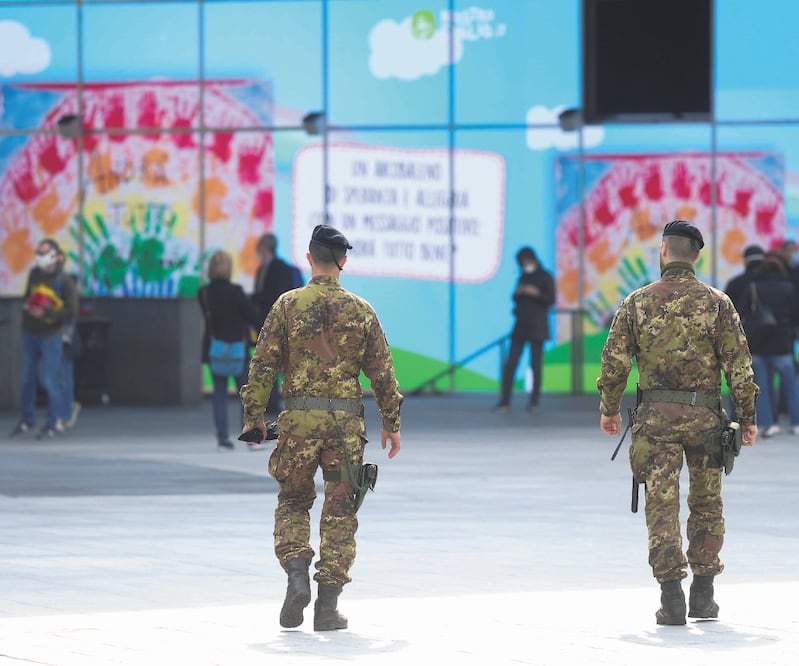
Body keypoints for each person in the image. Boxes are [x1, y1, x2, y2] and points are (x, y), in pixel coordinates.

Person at [240, 224, 403, 632]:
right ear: (343, 261)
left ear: (309, 258)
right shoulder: (361, 310)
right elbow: (382, 372)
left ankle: (297, 574)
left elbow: (263, 364)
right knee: (340, 511)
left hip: (297, 422)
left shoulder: (287, 305)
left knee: (294, 501)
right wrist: (391, 422)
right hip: (345, 426)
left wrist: (253, 417)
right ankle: (328, 608)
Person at [597, 220, 759, 626]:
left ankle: (671, 600)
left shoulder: (636, 302)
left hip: (655, 422)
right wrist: (748, 417)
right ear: (697, 256)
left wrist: (610, 409)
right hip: (706, 420)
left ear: (664, 251)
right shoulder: (718, 303)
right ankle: (703, 597)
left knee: (661, 505)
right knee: (706, 503)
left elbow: (615, 362)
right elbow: (739, 366)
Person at [9, 238, 77, 439]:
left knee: (49, 378)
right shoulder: (34, 274)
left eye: (44, 253)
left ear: (55, 256)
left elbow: (71, 310)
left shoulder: (63, 280)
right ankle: (27, 419)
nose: (40, 257)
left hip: (51, 336)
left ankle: (52, 421)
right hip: (31, 332)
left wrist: (48, 314)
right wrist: (29, 308)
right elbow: (26, 297)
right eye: (38, 253)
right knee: (27, 378)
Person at [199, 249, 262, 451]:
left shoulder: (204, 293)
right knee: (245, 394)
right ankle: (250, 438)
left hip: (215, 348)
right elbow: (252, 316)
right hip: (237, 348)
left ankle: (222, 439)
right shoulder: (236, 292)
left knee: (219, 394)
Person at [742, 251, 799, 438]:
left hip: (758, 343)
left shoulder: (753, 287)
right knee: (790, 385)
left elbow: (742, 312)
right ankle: (796, 422)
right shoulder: (788, 287)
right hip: (782, 344)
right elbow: (794, 315)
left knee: (762, 388)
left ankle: (768, 424)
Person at [493, 246, 555, 413]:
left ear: (533, 259)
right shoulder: (523, 276)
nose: (524, 264)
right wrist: (519, 292)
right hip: (520, 326)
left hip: (537, 327)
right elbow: (515, 300)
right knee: (510, 364)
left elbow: (551, 299)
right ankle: (504, 401)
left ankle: (534, 402)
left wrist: (535, 293)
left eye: (526, 261)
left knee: (535, 365)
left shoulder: (545, 277)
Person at [252, 233, 304, 414]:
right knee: (271, 364)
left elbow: (276, 296)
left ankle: (286, 400)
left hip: (279, 324)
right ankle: (274, 401)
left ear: (264, 249)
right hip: (265, 323)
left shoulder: (279, 269)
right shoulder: (262, 269)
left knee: (281, 363)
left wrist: (252, 298)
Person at [56, 248, 82, 430]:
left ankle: (64, 413)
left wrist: (65, 336)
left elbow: (70, 315)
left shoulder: (67, 281)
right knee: (55, 376)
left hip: (65, 336)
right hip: (49, 334)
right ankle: (65, 410)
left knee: (64, 375)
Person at [723, 244, 764, 313]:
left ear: (746, 261)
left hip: (742, 322)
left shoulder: (735, 283)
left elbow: (725, 308)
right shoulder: (773, 281)